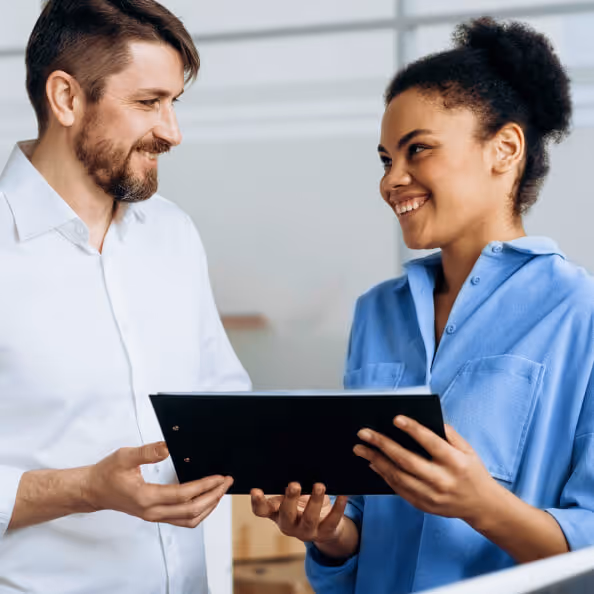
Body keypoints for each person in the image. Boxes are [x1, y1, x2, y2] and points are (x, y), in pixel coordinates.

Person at [251, 17, 594, 593]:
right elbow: (362, 520)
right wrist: (329, 532)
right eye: (386, 159)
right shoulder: (376, 314)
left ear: (504, 149)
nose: (393, 180)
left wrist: (482, 504)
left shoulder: (579, 313)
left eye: (418, 150)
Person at [0, 1, 250, 593]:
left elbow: (221, 396)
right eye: (147, 103)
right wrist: (85, 488)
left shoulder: (174, 234)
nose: (172, 132)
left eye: (173, 103)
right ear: (66, 98)